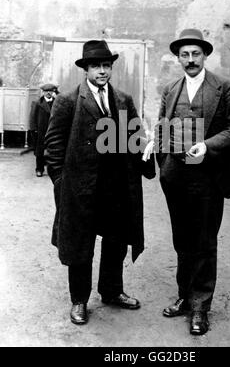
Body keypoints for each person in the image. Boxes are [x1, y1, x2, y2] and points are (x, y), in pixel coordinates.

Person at [44, 40, 155, 325]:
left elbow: (134, 137)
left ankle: (112, 291)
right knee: (81, 244)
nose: (102, 71)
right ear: (86, 69)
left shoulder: (123, 100)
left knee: (116, 241)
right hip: (81, 188)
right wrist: (60, 182)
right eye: (96, 66)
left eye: (107, 65)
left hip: (116, 186)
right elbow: (53, 144)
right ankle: (79, 300)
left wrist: (144, 148)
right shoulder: (68, 101)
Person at [156, 28, 230, 336]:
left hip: (208, 178)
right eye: (185, 54)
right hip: (176, 176)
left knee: (204, 243)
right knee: (182, 240)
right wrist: (161, 158)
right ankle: (185, 296)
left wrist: (208, 146)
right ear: (178, 57)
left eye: (196, 54)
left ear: (205, 55)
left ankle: (200, 307)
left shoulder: (225, 87)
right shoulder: (171, 88)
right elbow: (162, 127)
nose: (191, 59)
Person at [29, 83, 59, 177]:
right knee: (40, 151)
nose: (48, 93)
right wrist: (34, 129)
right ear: (43, 92)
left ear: (53, 92)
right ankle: (39, 169)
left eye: (50, 91)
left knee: (54, 151)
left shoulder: (58, 103)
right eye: (46, 91)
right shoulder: (37, 103)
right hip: (41, 131)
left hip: (54, 131)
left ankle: (53, 170)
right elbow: (32, 117)